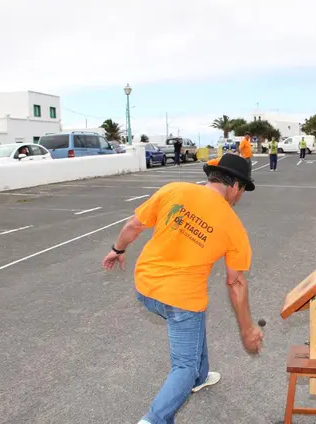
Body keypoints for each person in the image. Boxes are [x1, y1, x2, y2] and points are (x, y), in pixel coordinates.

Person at [101, 154, 263, 424]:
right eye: (243, 189)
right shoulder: (234, 227)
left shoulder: (173, 190)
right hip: (182, 301)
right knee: (183, 366)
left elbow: (134, 225)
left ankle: (201, 377)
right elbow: (235, 282)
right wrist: (247, 330)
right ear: (235, 185)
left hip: (145, 288)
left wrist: (117, 250)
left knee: (194, 324)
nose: (240, 196)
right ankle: (154, 419)